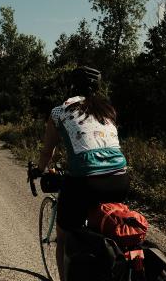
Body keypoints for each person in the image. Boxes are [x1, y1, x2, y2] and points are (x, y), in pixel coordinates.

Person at [35, 66, 129, 281]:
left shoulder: (60, 111)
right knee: (108, 229)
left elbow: (48, 150)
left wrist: (39, 170)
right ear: (98, 86)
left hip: (85, 180)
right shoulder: (107, 110)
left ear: (70, 86)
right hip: (120, 178)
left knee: (64, 239)